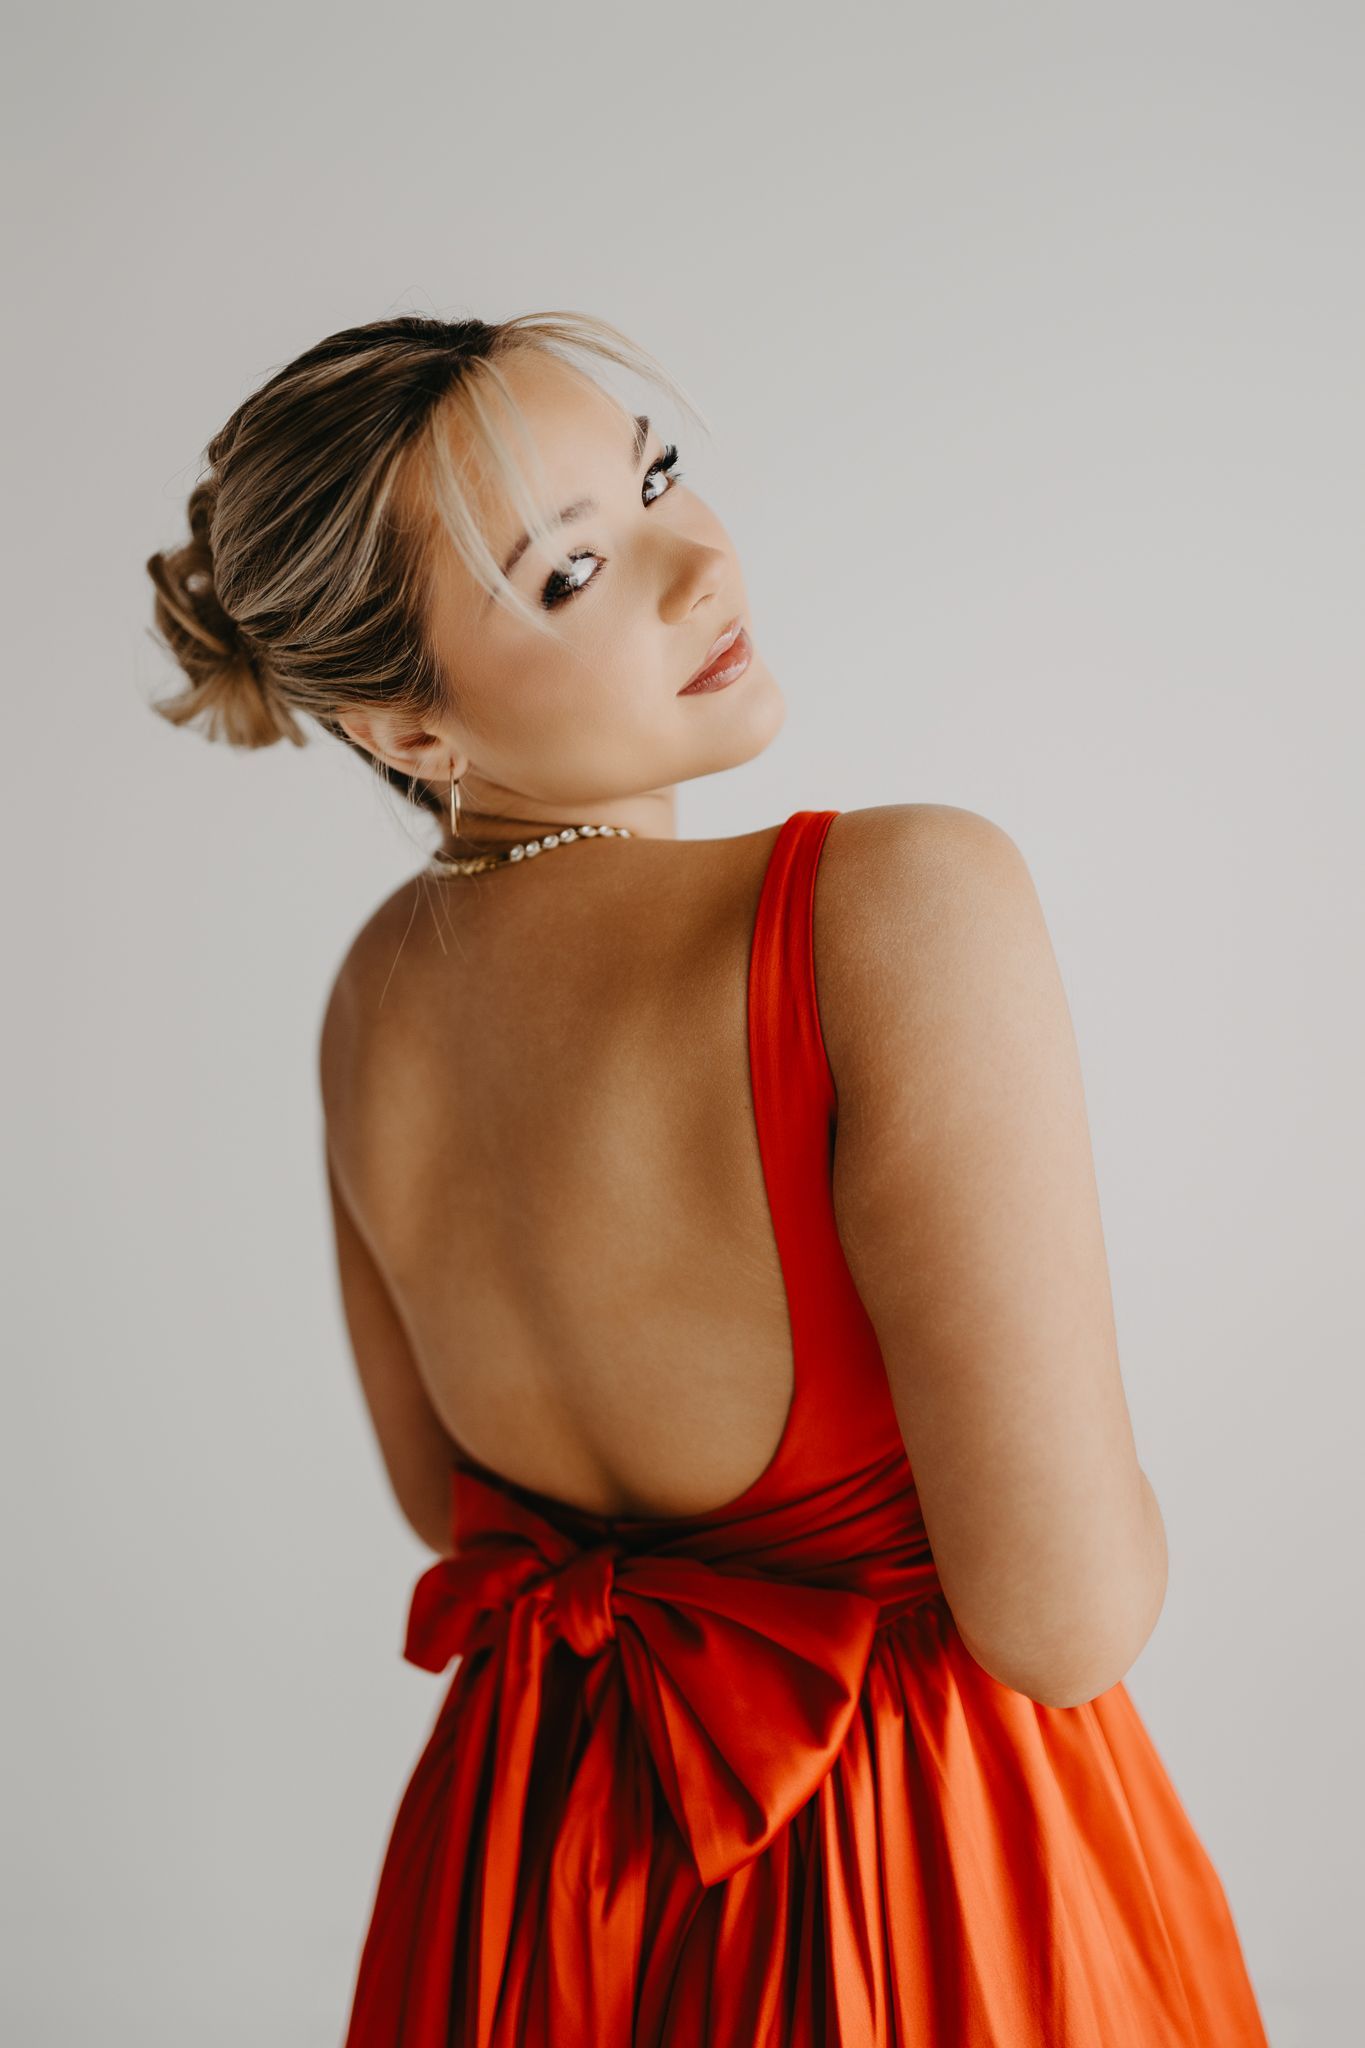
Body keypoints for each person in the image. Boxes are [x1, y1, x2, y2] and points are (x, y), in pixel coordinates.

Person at [146, 310, 1270, 2046]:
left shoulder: (371, 999)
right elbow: (1060, 1623)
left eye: (654, 474)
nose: (694, 564)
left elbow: (443, 1505)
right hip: (916, 1882)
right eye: (574, 569)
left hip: (521, 1890)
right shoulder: (892, 905)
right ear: (407, 727)